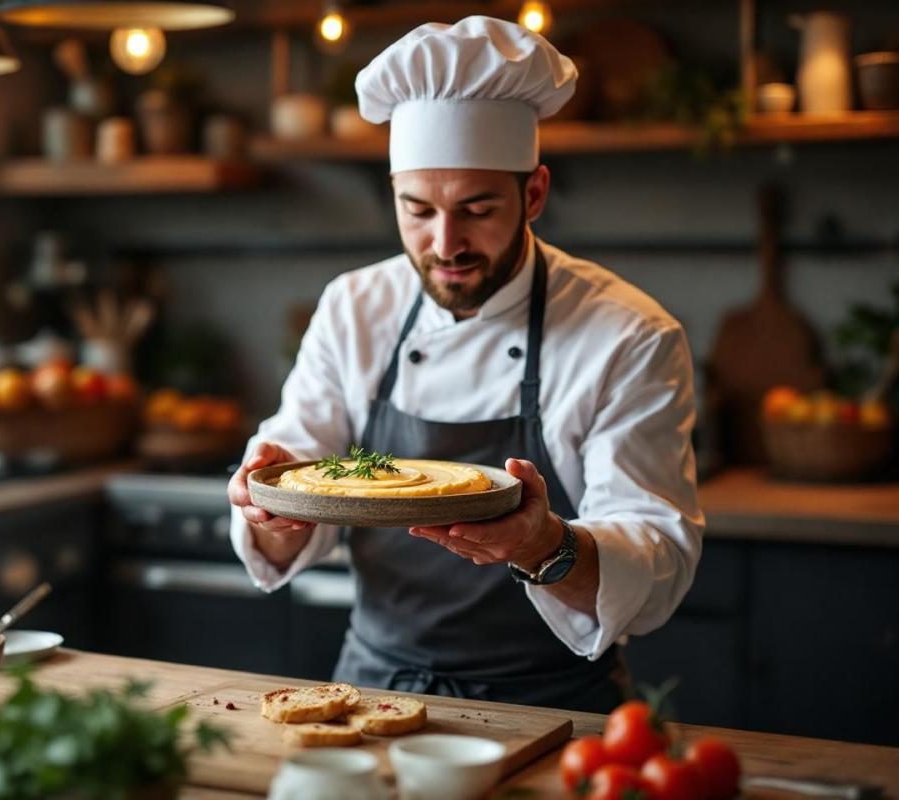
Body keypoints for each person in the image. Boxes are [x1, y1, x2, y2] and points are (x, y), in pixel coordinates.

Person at [227, 16, 704, 713]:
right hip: (370, 689)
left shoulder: (628, 334)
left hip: (553, 704)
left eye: (476, 210)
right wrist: (270, 511)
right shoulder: (354, 306)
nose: (445, 244)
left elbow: (659, 562)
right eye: (417, 211)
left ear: (533, 194)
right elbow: (293, 479)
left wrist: (542, 544)